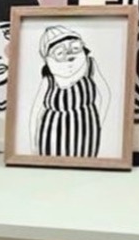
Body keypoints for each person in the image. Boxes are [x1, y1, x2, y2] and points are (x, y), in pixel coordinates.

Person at [30, 24, 110, 157]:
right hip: (53, 135)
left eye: (75, 48)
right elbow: (36, 112)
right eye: (60, 53)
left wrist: (98, 122)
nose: (69, 55)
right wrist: (34, 144)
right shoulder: (49, 80)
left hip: (87, 134)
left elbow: (105, 95)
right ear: (48, 59)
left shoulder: (90, 67)